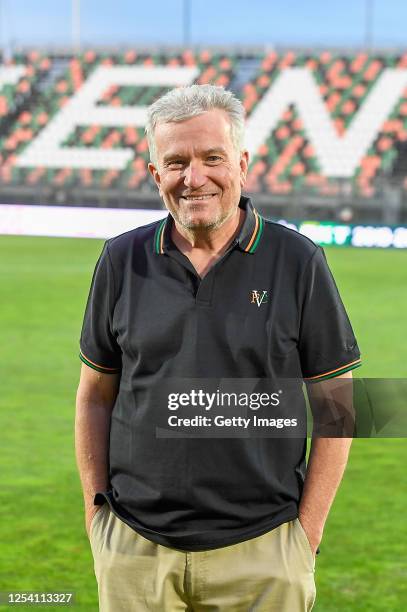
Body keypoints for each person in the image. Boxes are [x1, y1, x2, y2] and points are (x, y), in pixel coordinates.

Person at [75, 84, 361, 611]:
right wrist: (99, 519)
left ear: (243, 164)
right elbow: (95, 394)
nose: (195, 178)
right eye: (177, 162)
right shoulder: (121, 259)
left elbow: (339, 405)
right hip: (136, 552)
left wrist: (304, 538)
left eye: (213, 158)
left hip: (264, 552)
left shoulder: (298, 260)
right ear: (155, 173)